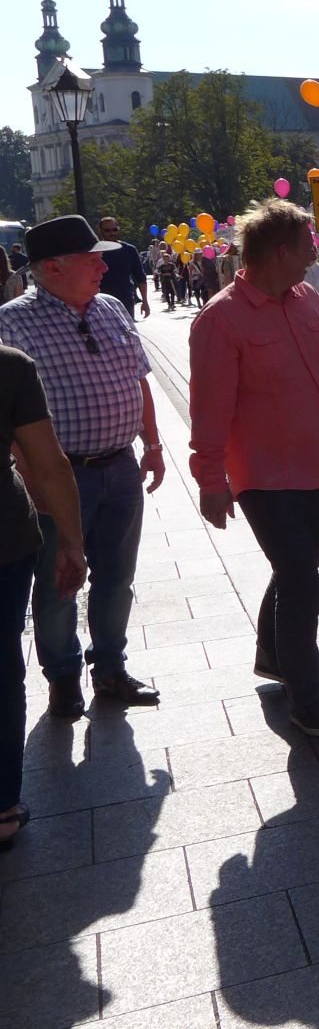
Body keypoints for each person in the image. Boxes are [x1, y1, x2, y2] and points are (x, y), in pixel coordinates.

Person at [189, 200, 319, 739]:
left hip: (317, 466)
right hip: (264, 476)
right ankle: (307, 698)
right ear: (281, 251)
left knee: (295, 569)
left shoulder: (308, 299)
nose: (315, 255)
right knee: (303, 583)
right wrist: (211, 481)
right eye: (308, 246)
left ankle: (274, 655)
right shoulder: (221, 317)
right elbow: (209, 409)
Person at [0, 216, 165, 717]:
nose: (103, 266)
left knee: (117, 577)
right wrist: (33, 482)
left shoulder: (111, 308)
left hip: (120, 468)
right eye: (92, 259)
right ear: (53, 267)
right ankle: (64, 676)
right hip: (56, 477)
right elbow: (12, 419)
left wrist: (153, 444)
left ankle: (110, 668)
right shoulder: (13, 322)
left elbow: (138, 379)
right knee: (59, 582)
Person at [0, 348, 86, 850]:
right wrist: (71, 542)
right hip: (4, 538)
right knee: (2, 668)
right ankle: (3, 808)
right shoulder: (9, 366)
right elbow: (49, 463)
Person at [96, 217, 150, 319]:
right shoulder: (95, 251)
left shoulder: (129, 250)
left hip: (125, 301)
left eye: (114, 229)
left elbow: (140, 277)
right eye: (107, 230)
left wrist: (145, 302)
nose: (112, 233)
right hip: (100, 301)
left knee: (127, 329)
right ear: (100, 231)